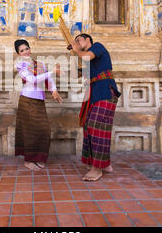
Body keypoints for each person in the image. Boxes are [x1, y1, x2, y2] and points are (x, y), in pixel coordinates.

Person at [68, 33, 121, 181]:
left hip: (106, 92)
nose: (77, 42)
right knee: (90, 127)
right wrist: (71, 55)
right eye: (76, 41)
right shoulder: (86, 62)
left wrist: (76, 49)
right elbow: (73, 75)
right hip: (93, 95)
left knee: (96, 127)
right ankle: (103, 163)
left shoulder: (98, 47)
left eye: (79, 40)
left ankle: (97, 168)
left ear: (88, 40)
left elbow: (85, 56)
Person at [14, 39, 63, 171]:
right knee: (29, 131)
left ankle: (38, 158)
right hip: (27, 100)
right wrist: (53, 72)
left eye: (27, 48)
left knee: (43, 129)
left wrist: (54, 90)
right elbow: (32, 80)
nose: (25, 52)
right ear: (18, 53)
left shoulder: (39, 64)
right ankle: (28, 160)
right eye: (22, 50)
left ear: (30, 49)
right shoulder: (20, 65)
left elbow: (48, 79)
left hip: (39, 101)